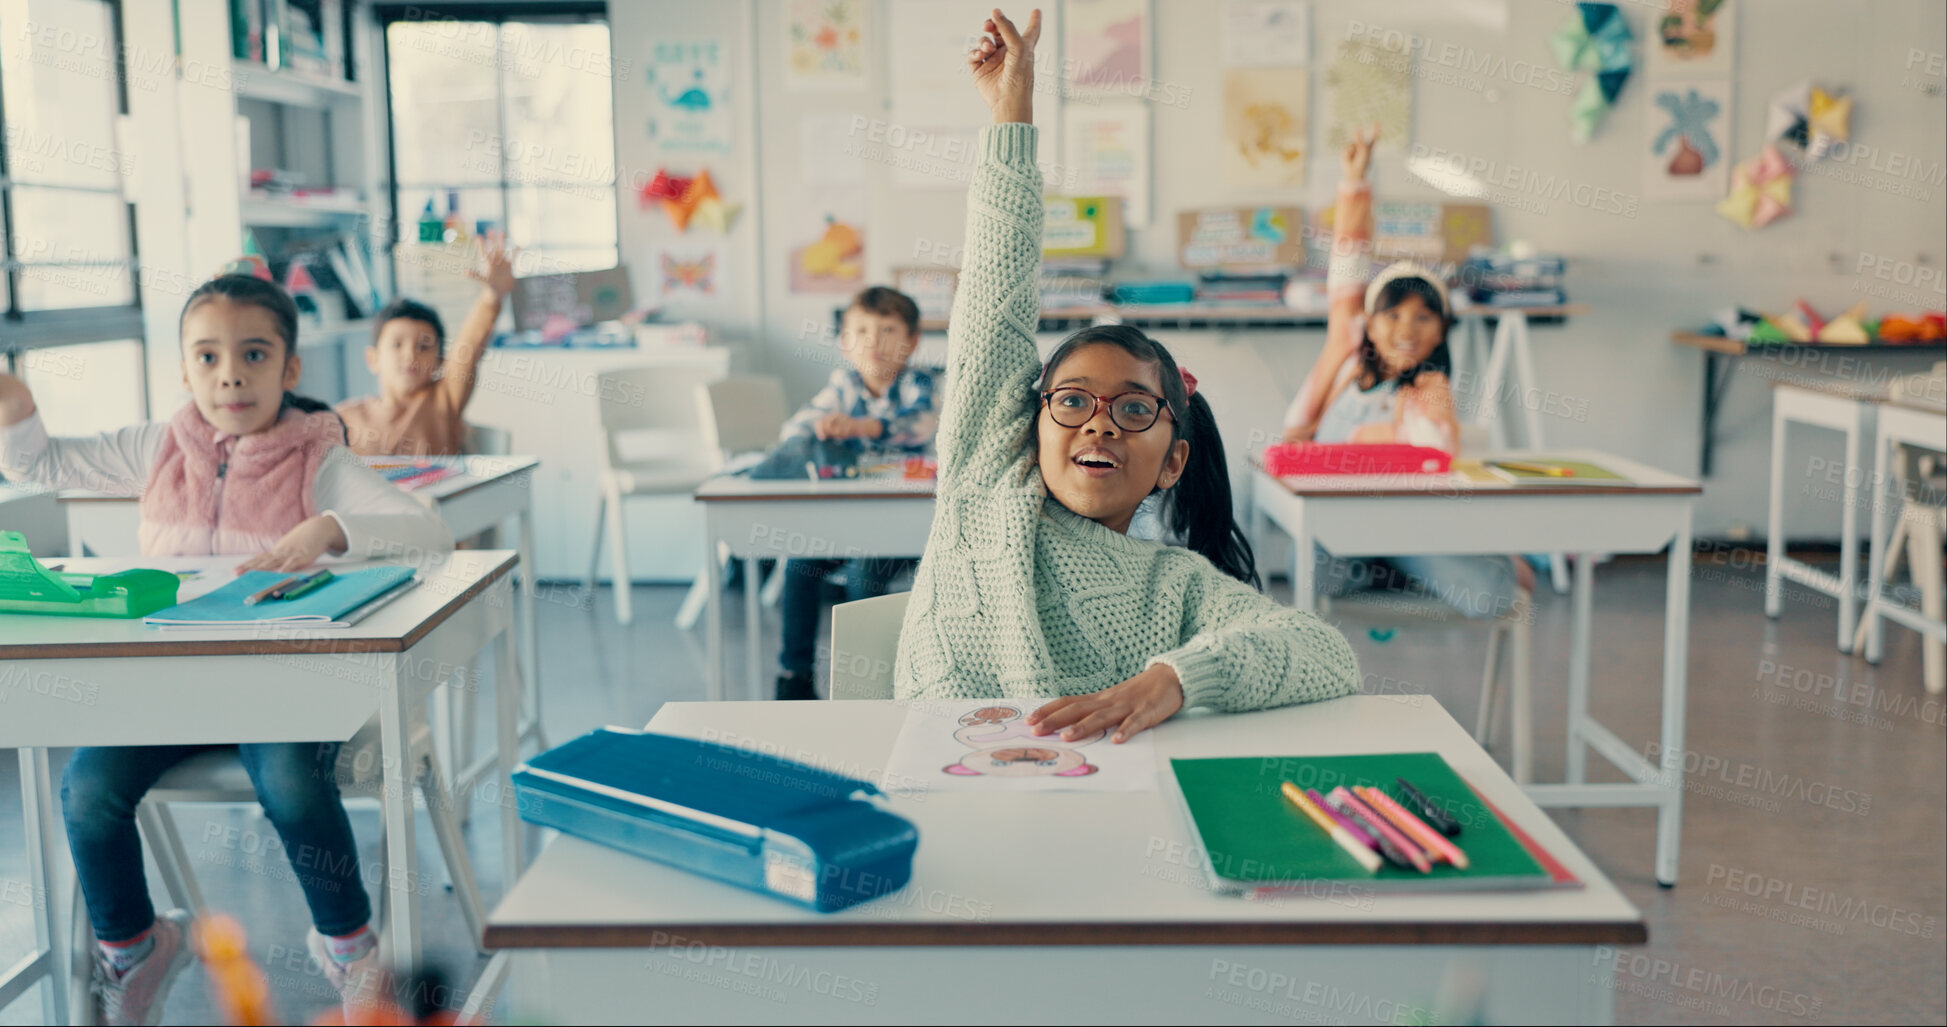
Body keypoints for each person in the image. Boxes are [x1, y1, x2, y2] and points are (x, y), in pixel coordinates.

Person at [891, 8, 1359, 743]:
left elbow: (1327, 654)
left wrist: (1177, 678)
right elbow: (994, 289)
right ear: (1029, 421)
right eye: (1071, 401)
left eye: (1134, 409)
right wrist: (1010, 110)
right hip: (936, 796)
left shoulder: (1176, 585)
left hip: (1096, 814)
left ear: (1174, 458)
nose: (1099, 422)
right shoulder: (982, 482)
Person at [0, 274, 454, 1025]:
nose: (230, 374)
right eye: (207, 357)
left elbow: (429, 530)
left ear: (290, 368)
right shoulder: (158, 445)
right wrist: (16, 407)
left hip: (279, 687)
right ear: (183, 370)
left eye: (252, 353)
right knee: (86, 793)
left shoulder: (319, 458)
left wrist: (330, 530)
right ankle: (136, 947)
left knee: (292, 785)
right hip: (168, 688)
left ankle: (349, 947)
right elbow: (41, 465)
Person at [1282, 126, 1532, 619]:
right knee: (1308, 575)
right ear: (1368, 324)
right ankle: (1390, 569)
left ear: (1441, 333)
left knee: (1495, 595)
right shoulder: (1345, 355)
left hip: (1404, 529)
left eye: (1423, 318)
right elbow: (1349, 263)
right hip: (1338, 530)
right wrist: (1355, 182)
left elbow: (1437, 450)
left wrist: (1382, 433)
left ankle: (1432, 562)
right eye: (1393, 315)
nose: (1406, 330)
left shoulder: (1431, 388)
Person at [774, 285, 938, 700]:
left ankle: (870, 685)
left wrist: (867, 427)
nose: (874, 343)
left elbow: (922, 424)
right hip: (852, 519)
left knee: (867, 571)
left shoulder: (924, 384)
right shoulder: (842, 388)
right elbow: (793, 429)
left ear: (912, 341)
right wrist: (821, 426)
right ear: (845, 344)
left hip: (908, 524)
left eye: (887, 331)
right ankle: (794, 674)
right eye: (861, 332)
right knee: (799, 562)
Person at [337, 233, 515, 457]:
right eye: (397, 344)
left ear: (440, 361)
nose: (410, 355)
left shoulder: (443, 401)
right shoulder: (345, 417)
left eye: (424, 346)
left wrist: (492, 297)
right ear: (373, 358)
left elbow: (468, 349)